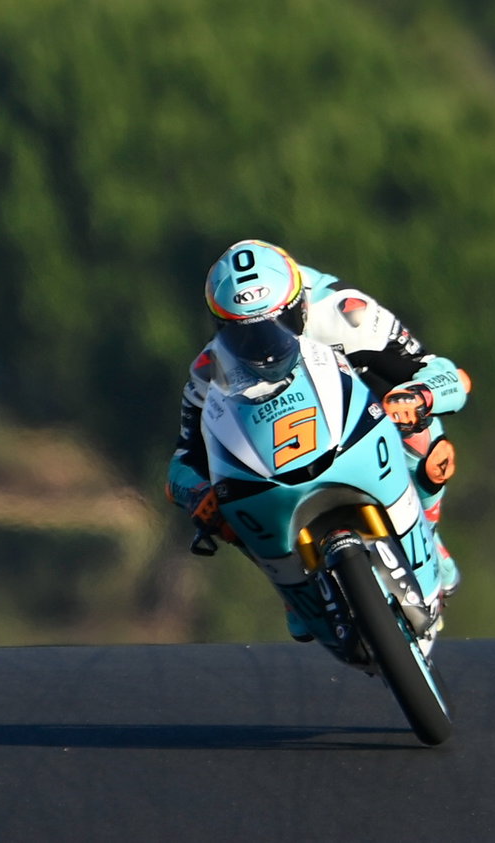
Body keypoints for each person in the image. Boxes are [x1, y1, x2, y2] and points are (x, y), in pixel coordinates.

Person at [166, 238, 471, 642]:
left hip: (363, 409)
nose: (263, 348)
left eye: (276, 326)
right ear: (221, 328)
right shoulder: (211, 370)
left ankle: (429, 539)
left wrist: (420, 396)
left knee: (427, 443)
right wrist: (198, 494)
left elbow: (448, 374)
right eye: (244, 335)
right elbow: (182, 463)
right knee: (223, 503)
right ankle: (295, 591)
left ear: (300, 304)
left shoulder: (348, 313)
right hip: (277, 450)